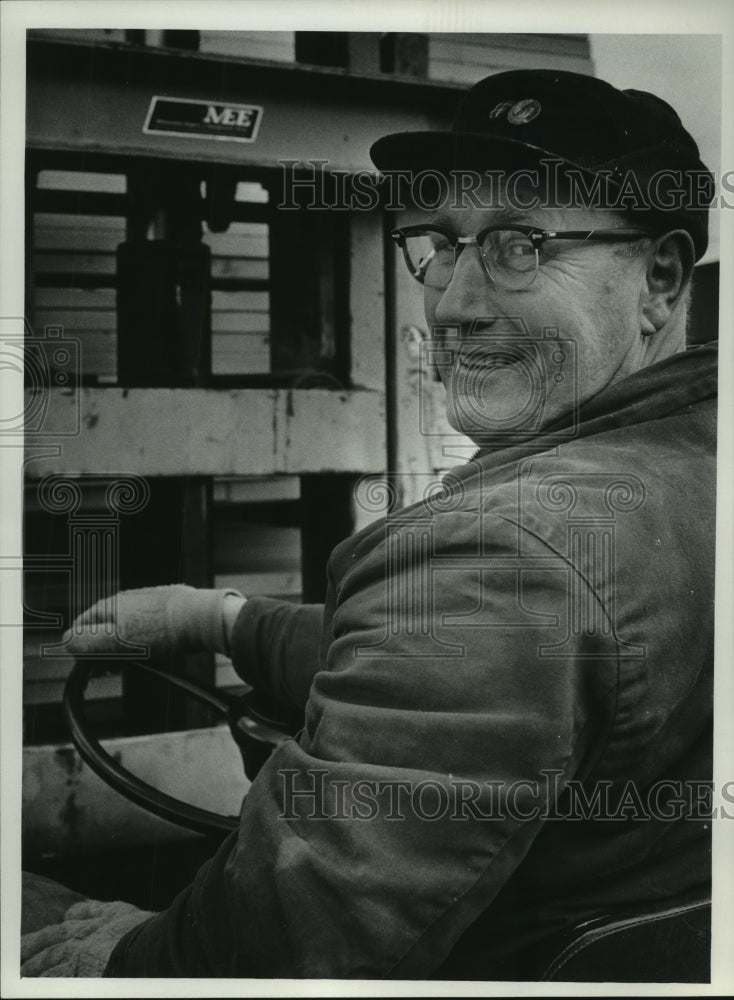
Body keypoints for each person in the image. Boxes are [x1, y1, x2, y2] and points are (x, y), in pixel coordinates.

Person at [21, 68, 717, 979]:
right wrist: (224, 619)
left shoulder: (509, 548)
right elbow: (457, 668)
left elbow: (275, 948)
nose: (455, 305)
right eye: (440, 244)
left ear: (660, 280)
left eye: (519, 246)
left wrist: (124, 958)